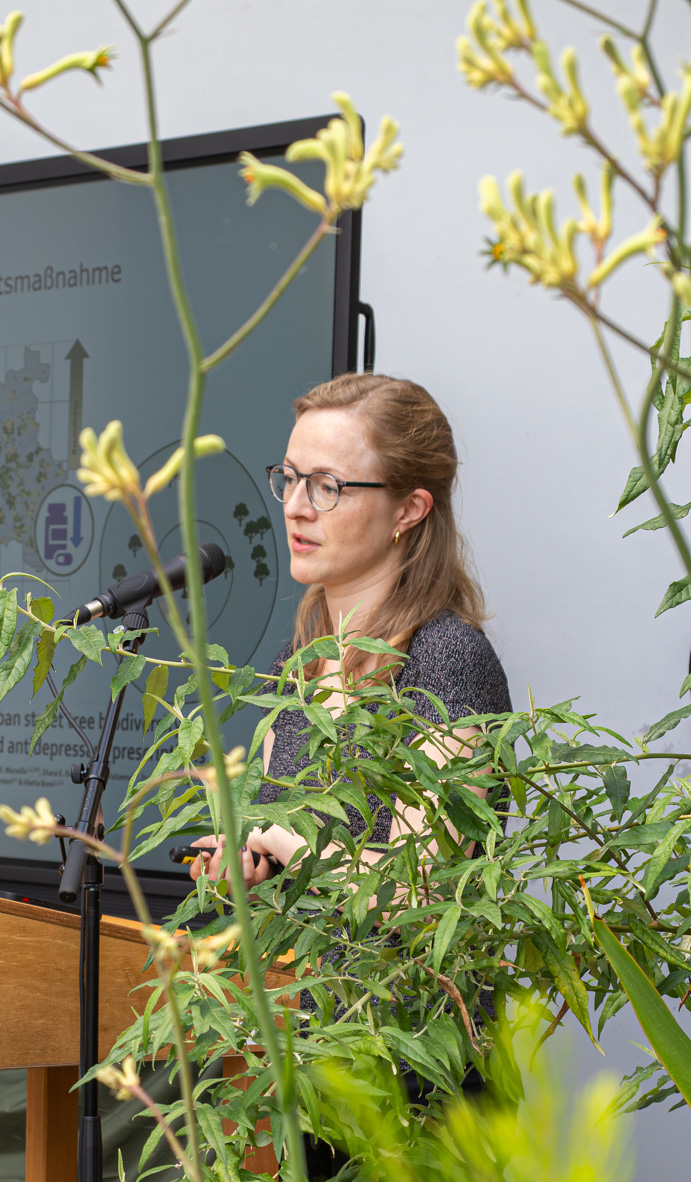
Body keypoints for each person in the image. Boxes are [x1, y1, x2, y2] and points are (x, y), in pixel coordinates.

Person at [191, 371, 511, 884]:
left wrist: (279, 840)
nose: (294, 508)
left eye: (326, 487)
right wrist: (254, 875)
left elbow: (426, 898)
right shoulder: (299, 664)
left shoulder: (447, 660)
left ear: (408, 510)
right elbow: (305, 890)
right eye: (290, 479)